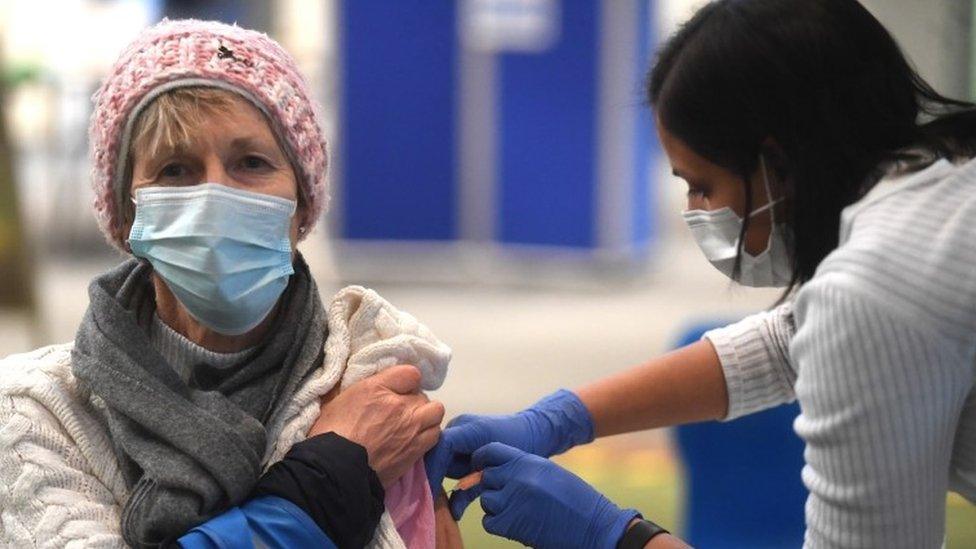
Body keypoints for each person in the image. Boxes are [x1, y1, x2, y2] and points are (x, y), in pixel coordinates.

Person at [426, 0, 976, 547]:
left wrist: (612, 534)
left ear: (776, 163)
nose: (697, 210)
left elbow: (848, 321)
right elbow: (796, 338)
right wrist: (557, 419)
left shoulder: (875, 290)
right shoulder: (945, 188)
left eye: (702, 185)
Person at [0, 19, 462, 549]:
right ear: (127, 217)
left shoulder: (371, 373)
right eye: (175, 170)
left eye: (251, 163)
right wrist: (324, 480)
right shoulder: (37, 409)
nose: (214, 196)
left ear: (302, 204)